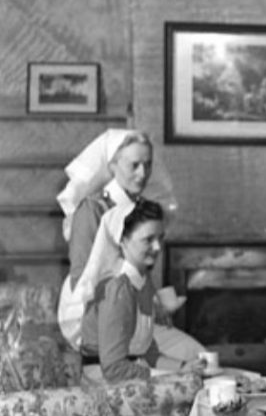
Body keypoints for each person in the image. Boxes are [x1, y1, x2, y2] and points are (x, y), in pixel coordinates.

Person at [56, 129, 201, 365]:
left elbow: (139, 268)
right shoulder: (92, 210)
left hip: (133, 315)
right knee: (187, 361)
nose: (142, 174)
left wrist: (153, 303)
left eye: (147, 165)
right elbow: (82, 279)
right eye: (134, 165)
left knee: (196, 356)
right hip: (96, 320)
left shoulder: (142, 208)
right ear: (112, 166)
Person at [78, 200, 205, 382]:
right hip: (103, 385)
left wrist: (184, 368)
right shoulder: (118, 290)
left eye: (160, 238)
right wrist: (170, 378)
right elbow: (113, 368)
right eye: (148, 239)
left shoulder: (142, 285)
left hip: (131, 378)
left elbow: (148, 353)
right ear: (123, 240)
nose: (158, 247)